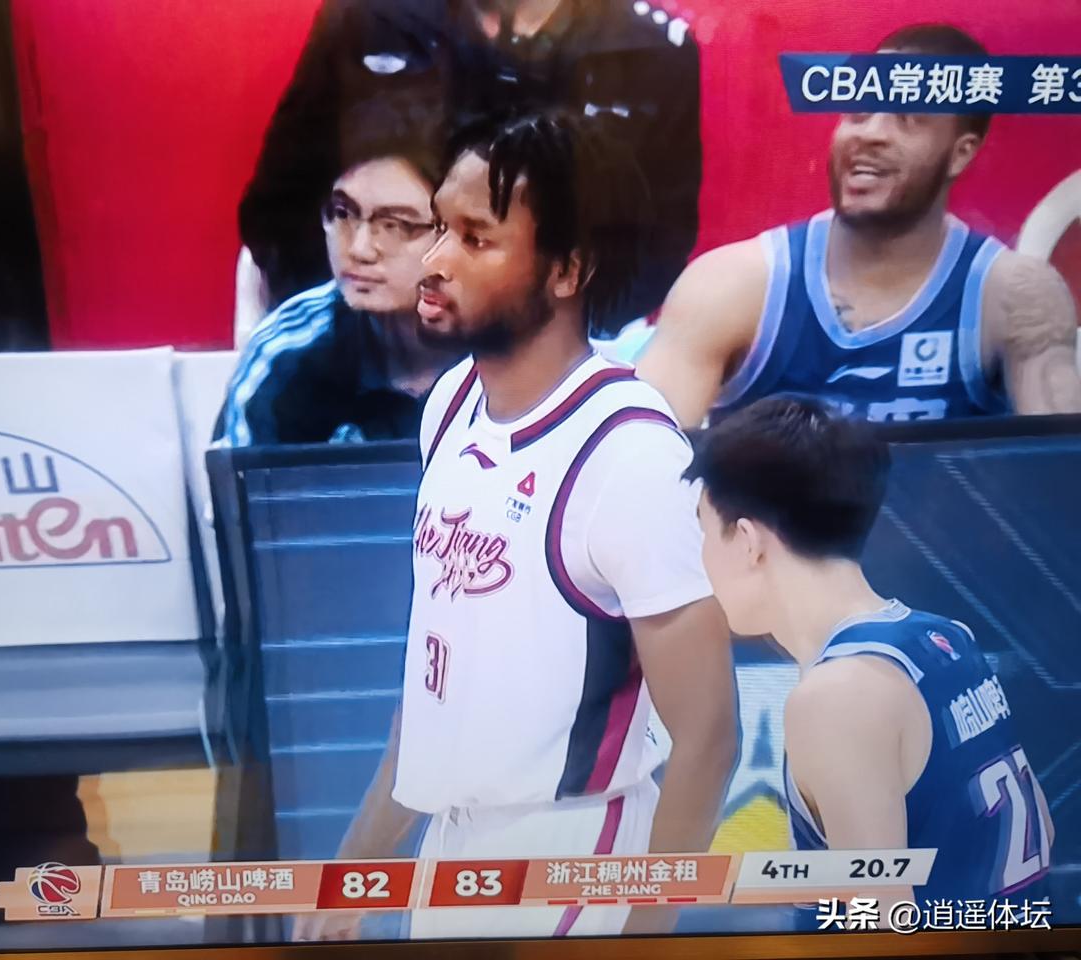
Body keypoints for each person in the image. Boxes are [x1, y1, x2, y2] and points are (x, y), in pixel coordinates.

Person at [294, 112, 739, 942]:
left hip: (571, 850)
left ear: (567, 269)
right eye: (438, 228)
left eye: (475, 239)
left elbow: (709, 734)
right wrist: (357, 869)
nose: (434, 261)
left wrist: (646, 929)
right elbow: (436, 683)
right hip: (451, 842)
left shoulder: (631, 455)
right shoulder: (451, 403)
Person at [687, 394, 1053, 918]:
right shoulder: (948, 637)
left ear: (748, 540)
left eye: (703, 530)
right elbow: (1043, 828)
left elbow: (881, 922)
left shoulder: (836, 698)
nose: (699, 557)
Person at [638, 23, 1081, 427]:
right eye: (859, 112)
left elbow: (1063, 470)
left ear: (961, 153)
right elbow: (640, 457)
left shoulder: (1015, 297)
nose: (870, 134)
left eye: (907, 118)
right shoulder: (729, 286)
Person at [238, 0, 702, 334]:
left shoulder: (650, 49)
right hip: (377, 345)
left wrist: (546, 342)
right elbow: (280, 208)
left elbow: (657, 242)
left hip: (559, 349)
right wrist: (365, 335)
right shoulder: (369, 17)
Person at [215, 101, 461, 446]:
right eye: (343, 213)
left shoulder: (513, 346)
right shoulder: (287, 352)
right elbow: (240, 480)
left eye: (395, 224)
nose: (359, 249)